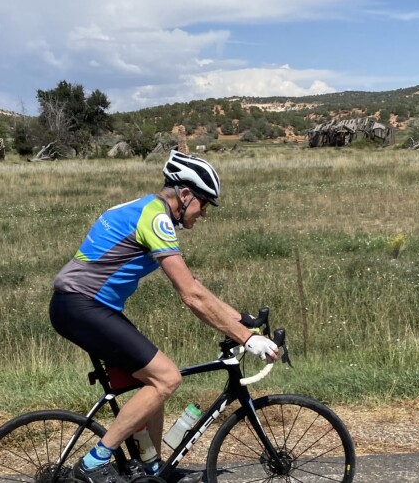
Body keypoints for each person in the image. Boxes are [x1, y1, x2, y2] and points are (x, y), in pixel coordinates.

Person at [50, 150, 279, 483]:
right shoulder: (156, 219)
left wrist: (239, 319)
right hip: (82, 307)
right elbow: (190, 294)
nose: (204, 214)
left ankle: (152, 471)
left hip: (84, 307)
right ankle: (93, 463)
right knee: (167, 378)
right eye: (204, 204)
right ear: (185, 195)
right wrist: (246, 338)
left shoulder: (143, 207)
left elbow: (194, 285)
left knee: (154, 381)